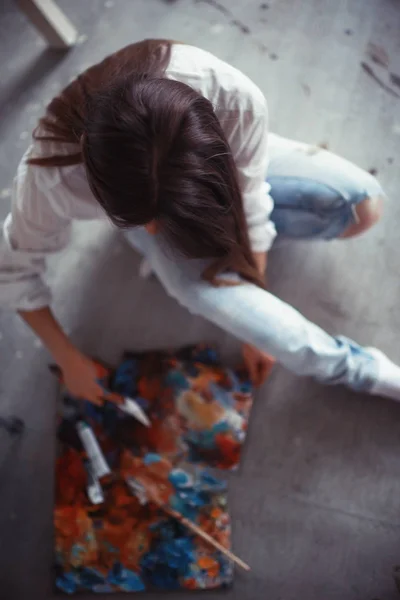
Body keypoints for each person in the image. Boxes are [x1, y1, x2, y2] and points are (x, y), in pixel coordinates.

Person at [1, 39, 399, 405]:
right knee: (252, 316)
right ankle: (365, 372)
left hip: (235, 169)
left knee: (361, 209)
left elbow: (252, 200)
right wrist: (67, 358)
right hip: (211, 185)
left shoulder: (232, 97)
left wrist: (251, 301)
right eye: (145, 219)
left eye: (160, 216)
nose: (156, 229)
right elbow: (13, 272)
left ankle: (186, 274)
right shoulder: (48, 180)